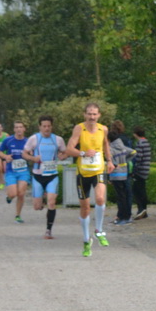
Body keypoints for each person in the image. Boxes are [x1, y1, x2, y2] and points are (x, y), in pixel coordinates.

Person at [67, 103, 111, 255]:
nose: (92, 117)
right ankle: (86, 240)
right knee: (85, 208)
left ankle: (99, 230)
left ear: (99, 115)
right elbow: (69, 149)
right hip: (83, 173)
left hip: (98, 170)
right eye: (89, 114)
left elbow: (106, 145)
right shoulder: (79, 128)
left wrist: (110, 161)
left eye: (94, 114)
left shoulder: (103, 129)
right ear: (84, 115)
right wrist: (83, 154)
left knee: (100, 198)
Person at [23, 116, 68, 239]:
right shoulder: (34, 139)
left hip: (52, 175)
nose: (47, 128)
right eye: (44, 126)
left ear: (51, 126)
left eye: (49, 126)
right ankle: (42, 197)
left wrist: (62, 156)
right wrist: (33, 158)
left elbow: (65, 152)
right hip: (38, 175)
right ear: (40, 127)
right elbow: (24, 153)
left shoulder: (58, 140)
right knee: (37, 207)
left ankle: (48, 230)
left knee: (52, 203)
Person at [0, 121, 31, 222]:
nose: (19, 129)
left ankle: (18, 215)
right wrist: (5, 156)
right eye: (16, 127)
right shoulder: (8, 140)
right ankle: (9, 197)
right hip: (11, 171)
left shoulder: (28, 141)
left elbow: (33, 151)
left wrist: (31, 155)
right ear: (14, 129)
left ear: (24, 129)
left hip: (23, 171)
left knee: (21, 193)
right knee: (13, 194)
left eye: (21, 127)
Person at [107, 119, 135, 225]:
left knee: (120, 196)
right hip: (126, 170)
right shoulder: (125, 140)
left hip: (116, 173)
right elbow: (132, 152)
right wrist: (126, 161)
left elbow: (111, 161)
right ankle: (127, 215)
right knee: (127, 194)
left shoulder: (111, 146)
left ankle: (121, 216)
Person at [131, 127, 153, 220]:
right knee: (142, 189)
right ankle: (144, 210)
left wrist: (134, 169)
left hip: (140, 170)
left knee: (137, 190)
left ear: (136, 134)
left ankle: (141, 209)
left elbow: (138, 158)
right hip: (145, 169)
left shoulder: (140, 143)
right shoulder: (146, 142)